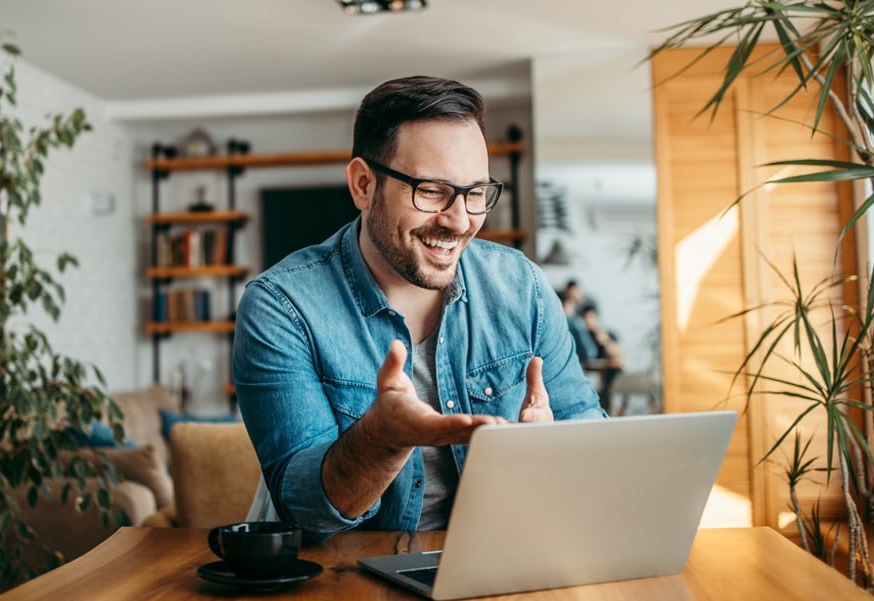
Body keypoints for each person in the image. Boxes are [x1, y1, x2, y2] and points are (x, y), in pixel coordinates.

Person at [233, 75, 605, 542]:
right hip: (345, 576)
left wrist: (551, 453)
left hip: (499, 558)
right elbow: (305, 513)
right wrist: (382, 441)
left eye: (475, 193)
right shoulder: (281, 308)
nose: (459, 220)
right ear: (364, 184)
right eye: (431, 191)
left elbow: (590, 439)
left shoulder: (521, 286)